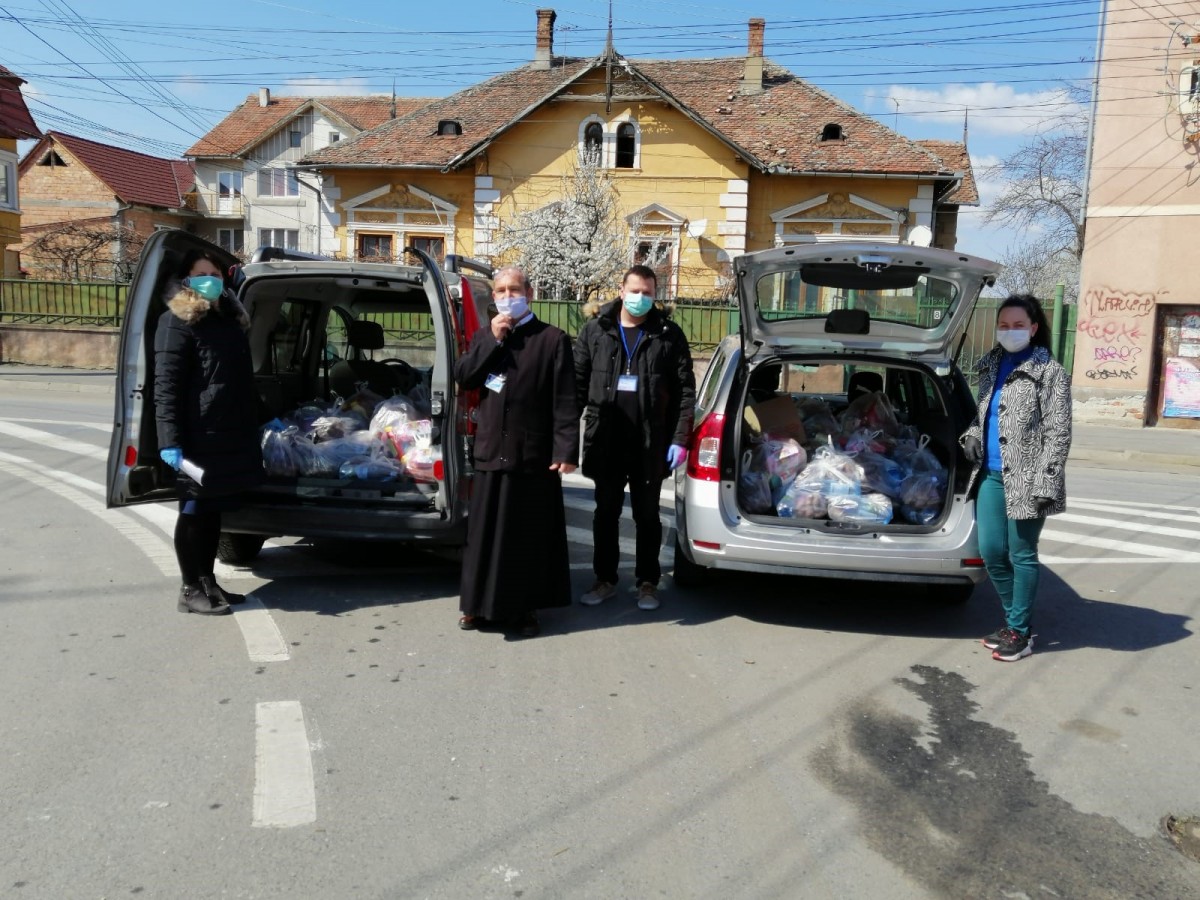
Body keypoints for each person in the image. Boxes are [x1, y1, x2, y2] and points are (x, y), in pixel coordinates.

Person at [454, 266, 579, 638]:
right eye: (501, 290)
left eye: (514, 289)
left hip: (532, 454)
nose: (508, 295)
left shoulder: (553, 339)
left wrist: (566, 449)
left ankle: (524, 609)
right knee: (484, 536)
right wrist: (492, 341)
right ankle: (476, 607)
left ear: (530, 292)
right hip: (492, 449)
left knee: (526, 536)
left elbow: (566, 400)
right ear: (493, 297)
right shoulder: (484, 335)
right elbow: (465, 376)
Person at [574, 264, 696, 611]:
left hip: (650, 440)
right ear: (621, 289)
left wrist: (679, 439)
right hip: (606, 437)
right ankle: (604, 580)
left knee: (647, 515)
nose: (641, 298)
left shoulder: (668, 335)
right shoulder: (596, 331)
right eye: (636, 291)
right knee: (605, 513)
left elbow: (685, 391)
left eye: (648, 293)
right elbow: (577, 386)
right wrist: (564, 438)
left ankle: (647, 582)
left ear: (655, 295)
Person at [960, 294, 1072, 662]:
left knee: (1022, 555)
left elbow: (1058, 432)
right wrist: (972, 435)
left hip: (1028, 477)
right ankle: (1013, 622)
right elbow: (982, 415)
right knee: (992, 552)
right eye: (1004, 326)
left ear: (1034, 327)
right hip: (990, 475)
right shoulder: (991, 364)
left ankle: (1020, 633)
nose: (1010, 332)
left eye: (1018, 325)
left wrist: (1047, 481)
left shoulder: (1050, 372)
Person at [155, 249, 263, 616]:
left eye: (216, 273)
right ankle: (189, 588)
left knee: (212, 511)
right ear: (185, 280)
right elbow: (166, 386)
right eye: (202, 273)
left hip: (226, 434)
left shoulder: (227, 320)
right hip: (195, 437)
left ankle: (208, 582)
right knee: (193, 510)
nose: (211, 280)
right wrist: (170, 442)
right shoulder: (176, 322)